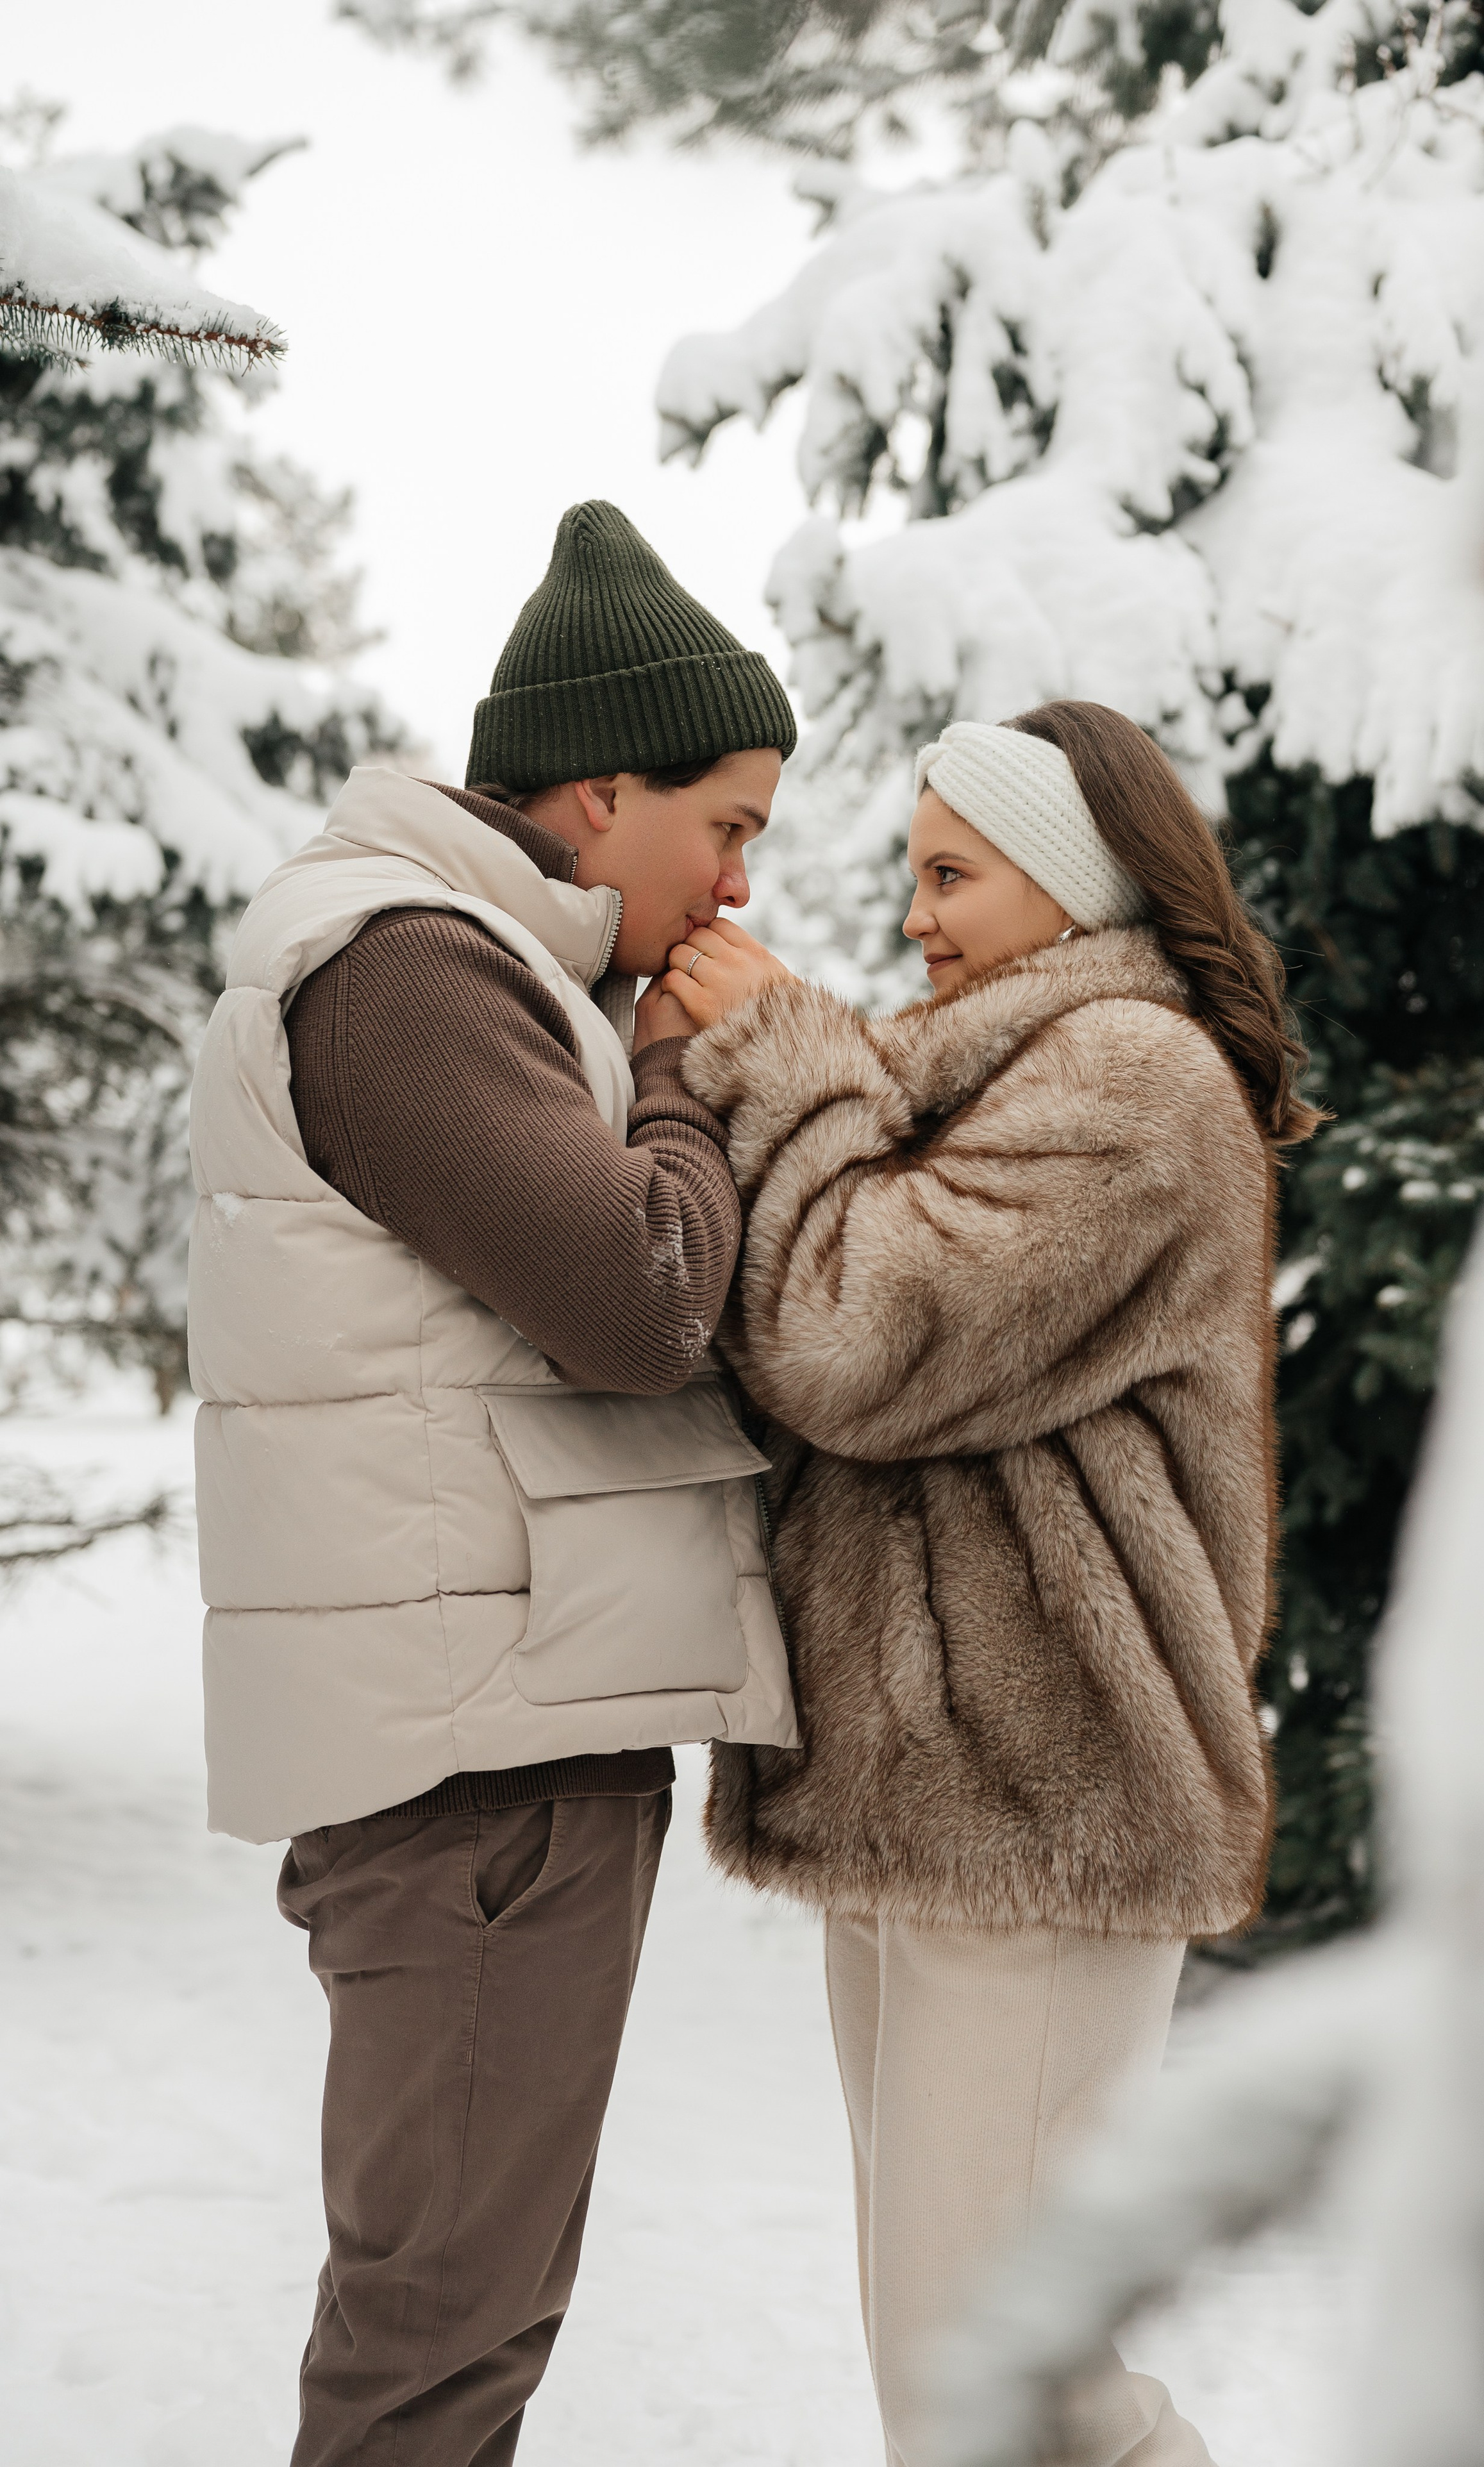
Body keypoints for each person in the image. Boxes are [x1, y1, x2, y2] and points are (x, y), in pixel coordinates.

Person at [187, 501, 799, 2466]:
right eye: (726, 830)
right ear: (600, 795)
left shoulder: (478, 973)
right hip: (474, 1780)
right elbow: (643, 1295)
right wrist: (705, 1084)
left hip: (499, 1747)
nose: (730, 886)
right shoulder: (408, 971)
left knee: (466, 2318)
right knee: (437, 2342)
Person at [659, 701, 1322, 2467]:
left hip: (1051, 1808)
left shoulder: (1134, 1082)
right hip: (930, 1805)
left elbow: (862, 1335)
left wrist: (788, 1052)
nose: (914, 919)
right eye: (911, 874)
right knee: (960, 2378)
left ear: (1077, 882)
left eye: (952, 874)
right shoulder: (992, 1077)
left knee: (1006, 2389)